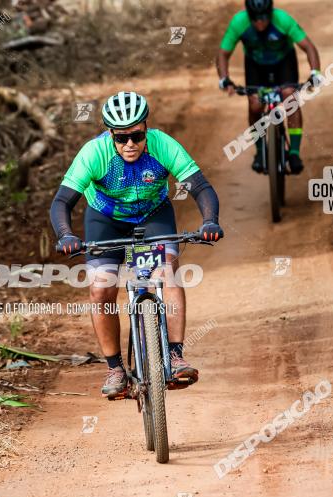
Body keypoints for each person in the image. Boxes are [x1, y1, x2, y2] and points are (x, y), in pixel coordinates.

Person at [50, 91, 223, 399]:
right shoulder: (94, 153)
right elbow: (62, 201)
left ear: (146, 127)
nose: (129, 144)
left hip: (153, 215)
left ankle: (174, 354)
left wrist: (209, 220)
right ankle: (115, 368)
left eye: (136, 135)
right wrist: (65, 234)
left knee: (167, 271)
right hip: (105, 220)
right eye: (121, 138)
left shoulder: (162, 145)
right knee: (101, 288)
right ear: (109, 134)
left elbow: (201, 187)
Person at [215, 0, 321, 174]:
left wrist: (315, 72)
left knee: (290, 96)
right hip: (256, 66)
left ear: (270, 13)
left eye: (264, 17)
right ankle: (260, 151)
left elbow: (308, 47)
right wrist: (224, 79)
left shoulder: (283, 19)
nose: (260, 22)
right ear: (249, 15)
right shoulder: (239, 22)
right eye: (255, 18)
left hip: (284, 63)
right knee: (255, 104)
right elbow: (223, 54)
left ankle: (294, 153)